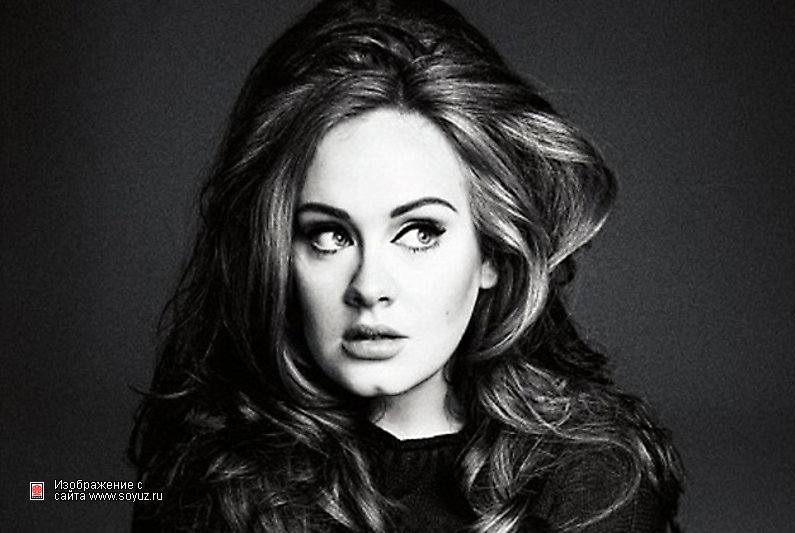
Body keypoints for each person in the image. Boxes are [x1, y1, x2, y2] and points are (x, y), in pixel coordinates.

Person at [129, 0, 684, 531]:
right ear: (276, 252)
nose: (369, 286)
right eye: (329, 235)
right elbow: (86, 492)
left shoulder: (596, 480)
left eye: (420, 233)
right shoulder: (207, 476)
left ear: (492, 252)